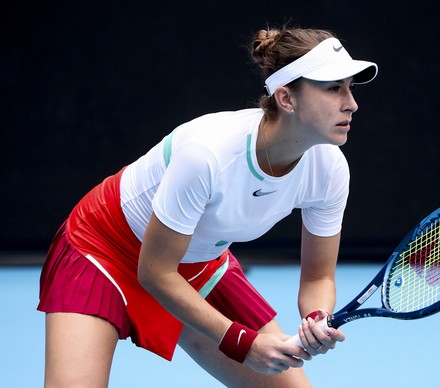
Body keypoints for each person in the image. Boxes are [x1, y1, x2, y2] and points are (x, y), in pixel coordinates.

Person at [37, 25, 378, 387]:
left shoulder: (329, 169)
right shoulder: (208, 155)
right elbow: (155, 273)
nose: (351, 103)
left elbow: (318, 277)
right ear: (286, 98)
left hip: (198, 265)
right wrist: (242, 343)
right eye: (332, 88)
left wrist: (317, 318)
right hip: (103, 249)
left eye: (350, 88)